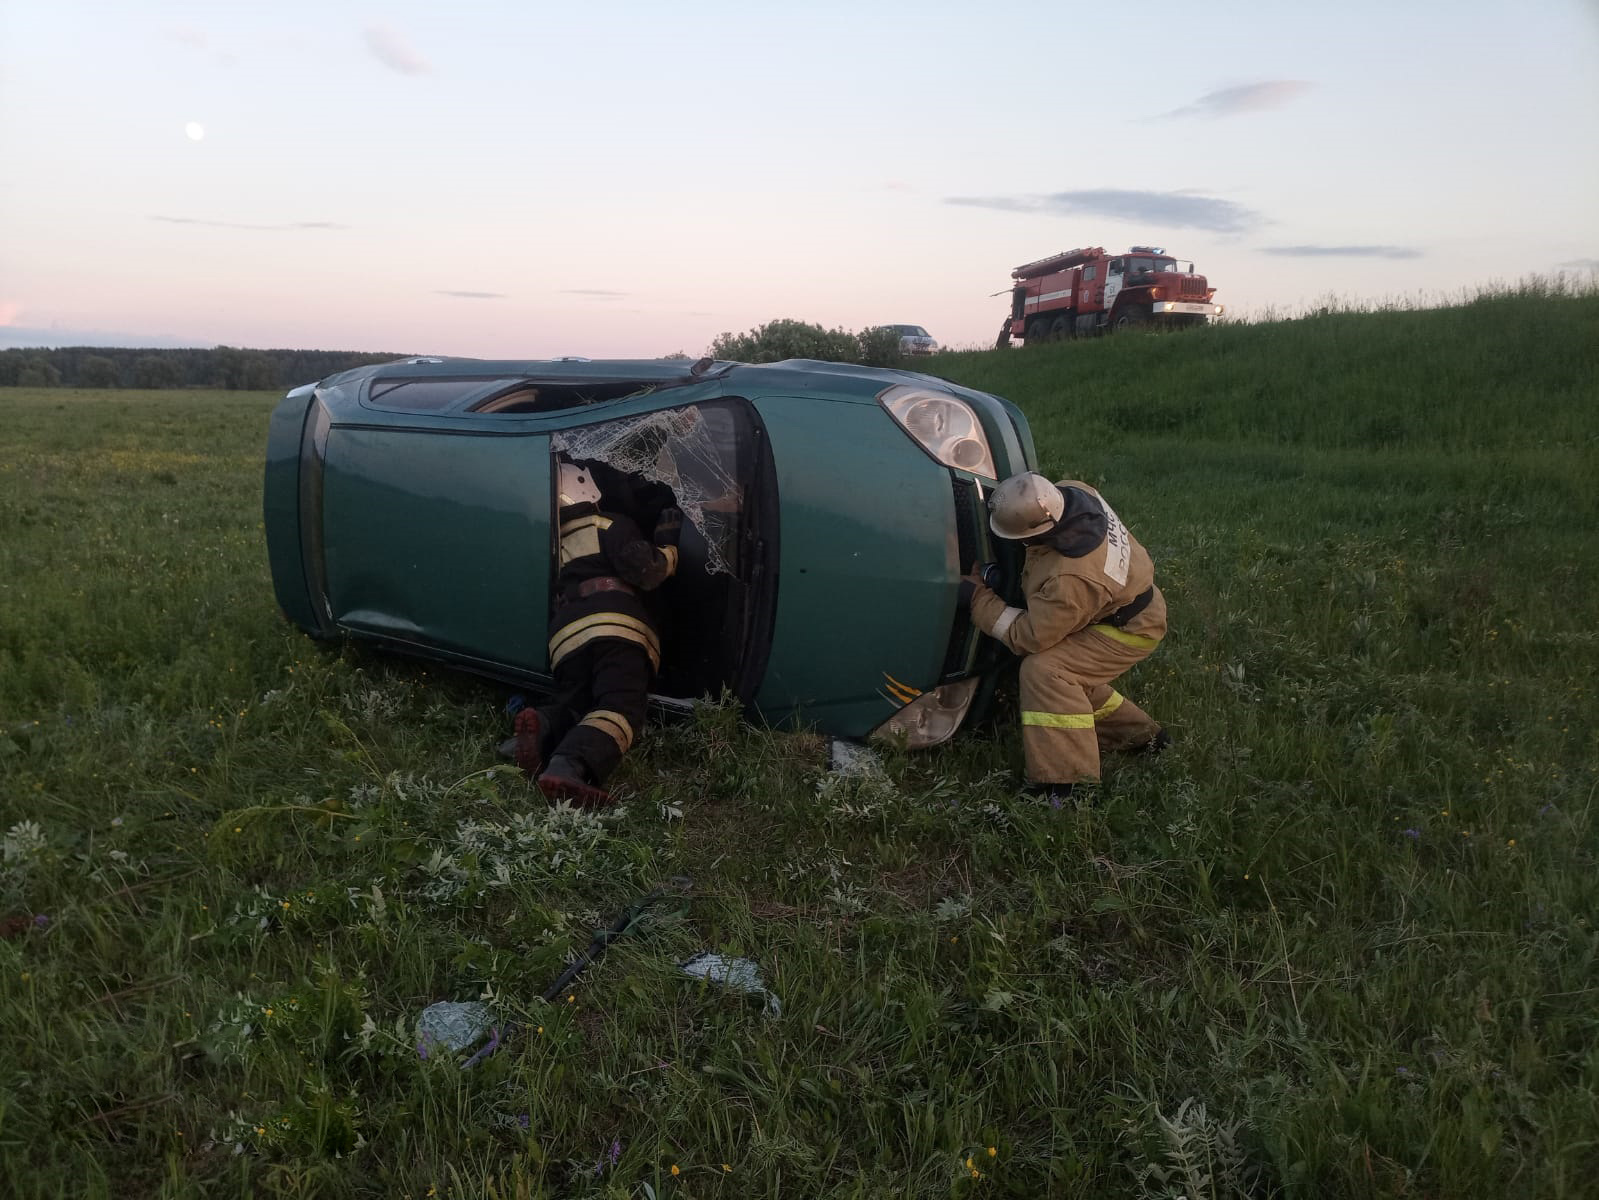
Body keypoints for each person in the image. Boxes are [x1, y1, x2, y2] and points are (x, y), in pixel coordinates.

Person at [962, 472, 1169, 802]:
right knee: (1071, 679)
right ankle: (1141, 737)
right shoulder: (1073, 493)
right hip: (1124, 603)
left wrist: (978, 600)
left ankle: (1066, 786)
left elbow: (1029, 636)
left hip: (1130, 629)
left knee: (1048, 672)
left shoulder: (1072, 577)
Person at [509, 459, 682, 807]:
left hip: (564, 639)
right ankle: (570, 766)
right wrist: (671, 548)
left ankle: (541, 726)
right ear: (587, 489)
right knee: (621, 705)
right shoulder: (607, 524)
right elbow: (645, 571)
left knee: (579, 704)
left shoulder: (546, 544)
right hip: (616, 626)